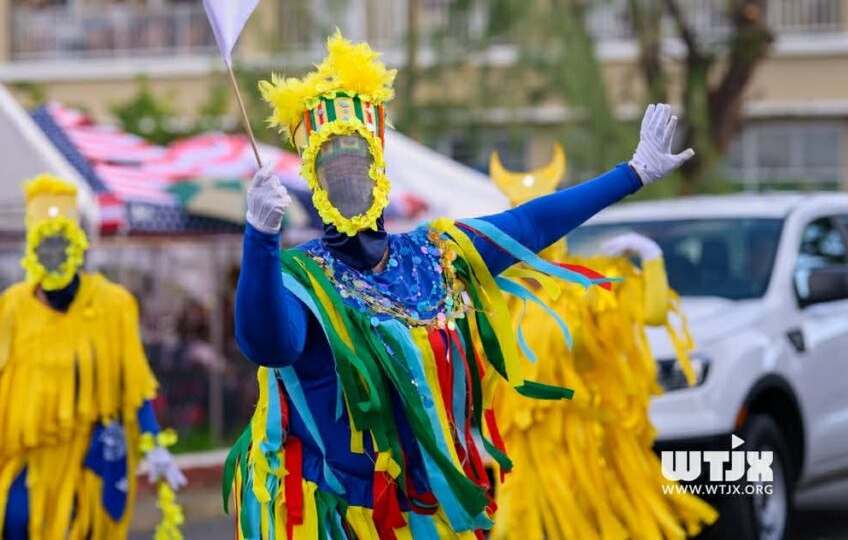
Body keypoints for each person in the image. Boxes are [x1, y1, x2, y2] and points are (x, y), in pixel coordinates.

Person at [226, 31, 696, 538]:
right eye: (332, 168)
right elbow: (269, 344)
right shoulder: (303, 278)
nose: (348, 180)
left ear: (379, 169)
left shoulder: (434, 253)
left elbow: (531, 225)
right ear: (315, 181)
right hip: (344, 520)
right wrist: (261, 237)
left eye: (358, 163)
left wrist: (633, 173)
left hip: (435, 517)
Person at [486, 144, 717, 539]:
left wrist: (652, 259)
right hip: (521, 445)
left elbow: (653, 314)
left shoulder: (586, 286)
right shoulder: (494, 298)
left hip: (586, 442)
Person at [0, 175, 187, 539]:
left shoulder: (113, 305)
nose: (53, 254)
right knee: (14, 522)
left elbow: (133, 382)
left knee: (88, 528)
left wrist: (152, 444)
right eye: (45, 244)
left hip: (90, 453)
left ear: (78, 246)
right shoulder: (9, 309)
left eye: (61, 244)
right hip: (26, 454)